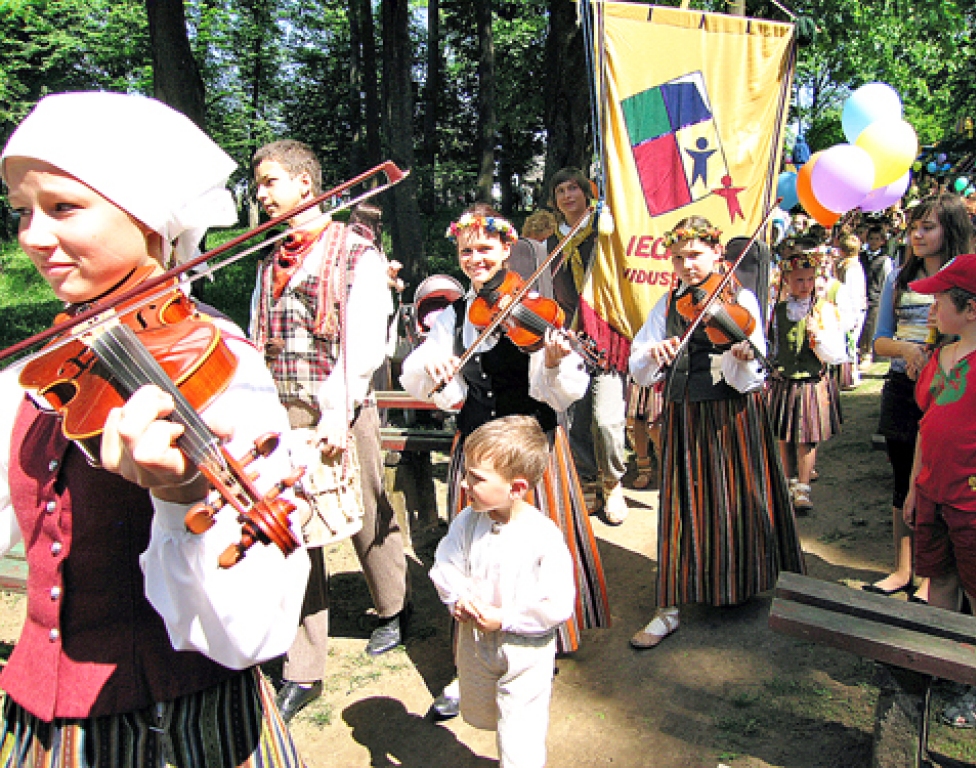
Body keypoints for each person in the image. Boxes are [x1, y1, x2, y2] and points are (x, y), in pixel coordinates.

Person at [0, 91, 309, 766]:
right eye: (22, 211)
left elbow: (255, 630)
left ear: (149, 222)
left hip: (180, 730)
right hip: (40, 731)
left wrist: (180, 500)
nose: (31, 236)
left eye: (62, 207)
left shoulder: (219, 365)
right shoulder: (43, 367)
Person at [401, 203, 609, 717]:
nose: (475, 258)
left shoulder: (535, 307)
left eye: (485, 249)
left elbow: (561, 395)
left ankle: (541, 641)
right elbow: (420, 371)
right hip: (476, 443)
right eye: (466, 250)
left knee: (536, 549)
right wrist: (437, 366)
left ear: (506, 249)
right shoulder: (453, 314)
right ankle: (471, 652)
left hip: (529, 447)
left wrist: (557, 361)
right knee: (475, 554)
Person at [250, 140, 409, 722]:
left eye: (270, 182)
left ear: (304, 184)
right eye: (259, 185)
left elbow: (364, 344)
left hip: (340, 406)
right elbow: (256, 331)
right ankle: (303, 666)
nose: (261, 194)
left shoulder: (354, 250)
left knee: (365, 510)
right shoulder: (270, 255)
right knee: (293, 535)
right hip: (279, 409)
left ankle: (393, 605)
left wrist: (336, 415)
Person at [628, 216, 805, 649]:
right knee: (679, 506)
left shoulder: (740, 298)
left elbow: (756, 369)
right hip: (684, 412)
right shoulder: (667, 304)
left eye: (695, 255)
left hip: (732, 414)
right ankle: (667, 608)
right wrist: (653, 352)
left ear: (716, 254)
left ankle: (752, 584)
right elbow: (637, 360)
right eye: (678, 257)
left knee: (738, 498)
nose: (687, 265)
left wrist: (743, 355)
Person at [904, 253, 976, 729]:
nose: (931, 308)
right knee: (941, 581)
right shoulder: (940, 355)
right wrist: (916, 486)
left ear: (971, 309)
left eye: (939, 300)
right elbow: (926, 426)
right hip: (934, 494)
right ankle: (945, 660)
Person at [429, 415, 575, 768]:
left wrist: (506, 618)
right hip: (476, 643)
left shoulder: (542, 536)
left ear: (516, 487)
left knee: (519, 737)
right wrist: (458, 596)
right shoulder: (467, 521)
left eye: (477, 478)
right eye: (466, 473)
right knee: (485, 712)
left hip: (525, 651)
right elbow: (446, 561)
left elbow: (557, 604)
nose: (464, 484)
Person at [866, 193, 972, 601]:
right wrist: (907, 351)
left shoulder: (965, 278)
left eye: (928, 227)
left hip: (949, 392)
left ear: (951, 229)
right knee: (901, 478)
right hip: (901, 388)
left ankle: (933, 576)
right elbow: (879, 341)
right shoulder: (899, 277)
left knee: (935, 482)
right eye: (914, 227)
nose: (918, 235)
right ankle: (902, 568)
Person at [547, 168, 630, 524]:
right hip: (574, 335)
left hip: (608, 332)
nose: (568, 196)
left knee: (607, 420)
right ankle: (588, 480)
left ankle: (613, 481)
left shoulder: (606, 228)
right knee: (577, 420)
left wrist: (610, 228)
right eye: (560, 191)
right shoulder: (555, 241)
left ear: (586, 192)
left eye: (574, 189)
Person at [768, 240, 846, 513]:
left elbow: (836, 353)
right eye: (799, 280)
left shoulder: (823, 309)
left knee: (805, 436)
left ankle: (803, 487)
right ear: (787, 280)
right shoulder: (777, 311)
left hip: (810, 380)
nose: (805, 285)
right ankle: (788, 482)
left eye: (810, 279)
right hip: (784, 379)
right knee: (783, 434)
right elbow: (771, 345)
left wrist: (819, 336)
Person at [858, 225, 893, 369]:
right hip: (862, 295)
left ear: (882, 241)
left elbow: (886, 280)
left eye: (877, 239)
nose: (873, 242)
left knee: (871, 325)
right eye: (871, 239)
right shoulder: (861, 257)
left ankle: (868, 352)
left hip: (876, 296)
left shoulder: (884, 260)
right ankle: (860, 351)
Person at [835, 234, 867, 389]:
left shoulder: (852, 268)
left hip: (853, 310)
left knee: (850, 343)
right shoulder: (846, 265)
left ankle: (851, 377)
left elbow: (852, 293)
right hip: (849, 308)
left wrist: (852, 314)